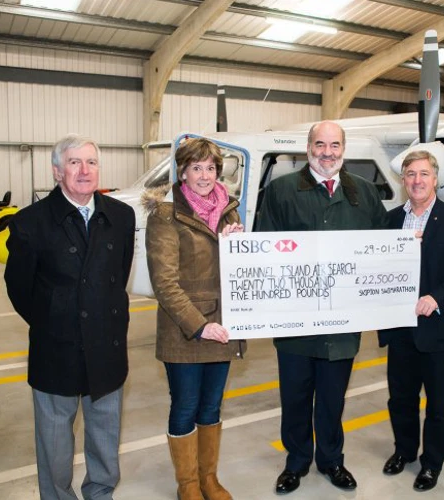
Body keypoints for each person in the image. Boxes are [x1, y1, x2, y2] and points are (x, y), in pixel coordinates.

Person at [256, 120, 388, 494]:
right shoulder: (281, 191)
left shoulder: (363, 192)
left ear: (343, 149)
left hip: (342, 325)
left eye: (334, 145)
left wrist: (405, 246)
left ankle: (331, 460)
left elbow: (381, 248)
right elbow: (266, 251)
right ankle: (296, 462)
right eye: (319, 144)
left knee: (332, 399)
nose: (326, 152)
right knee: (295, 397)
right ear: (308, 146)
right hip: (296, 324)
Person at [4, 134, 136, 500]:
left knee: (105, 433)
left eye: (91, 162)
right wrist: (54, 321)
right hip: (55, 347)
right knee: (54, 441)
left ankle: (100, 492)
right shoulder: (31, 222)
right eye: (75, 163)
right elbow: (19, 289)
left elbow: (118, 274)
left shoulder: (120, 216)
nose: (84, 171)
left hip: (106, 344)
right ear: (57, 171)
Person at [144, 137, 245, 500]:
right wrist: (200, 325)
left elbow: (236, 272)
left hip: (225, 327)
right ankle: (187, 484)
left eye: (211, 168)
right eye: (197, 167)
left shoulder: (230, 212)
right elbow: (165, 282)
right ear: (183, 171)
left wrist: (237, 246)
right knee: (185, 406)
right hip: (185, 331)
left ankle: (208, 478)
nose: (205, 175)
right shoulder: (165, 215)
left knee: (211, 406)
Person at [378, 150, 444, 492]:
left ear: (436, 179)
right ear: (403, 180)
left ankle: (431, 463)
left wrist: (437, 298)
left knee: (438, 403)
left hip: (438, 330)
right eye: (410, 174)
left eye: (424, 174)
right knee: (401, 399)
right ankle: (404, 451)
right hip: (401, 330)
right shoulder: (391, 221)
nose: (417, 181)